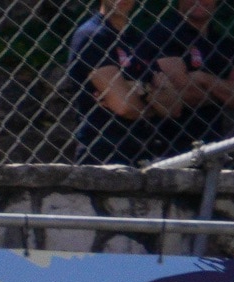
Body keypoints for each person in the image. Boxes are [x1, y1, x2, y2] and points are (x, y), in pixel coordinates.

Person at [64, 0, 163, 166]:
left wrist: (137, 92)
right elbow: (124, 106)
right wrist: (152, 98)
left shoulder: (137, 39)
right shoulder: (92, 35)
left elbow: (173, 106)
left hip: (145, 151)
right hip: (103, 154)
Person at [148, 0, 234, 142]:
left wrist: (203, 78)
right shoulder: (163, 34)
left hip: (212, 145)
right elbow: (183, 92)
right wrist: (225, 93)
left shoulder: (224, 44)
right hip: (169, 145)